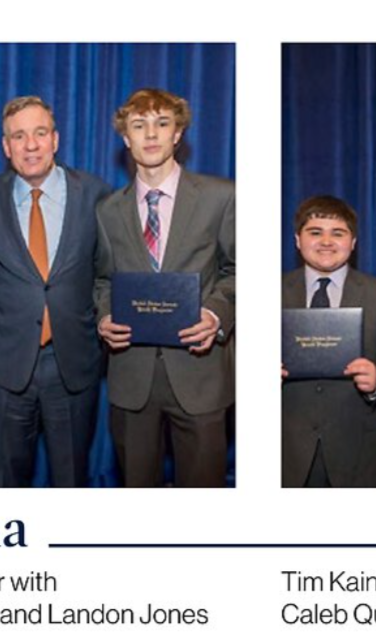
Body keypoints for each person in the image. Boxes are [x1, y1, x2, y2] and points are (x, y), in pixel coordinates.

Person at [96, 88, 235, 488]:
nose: (151, 134)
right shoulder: (107, 210)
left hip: (200, 374)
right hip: (131, 377)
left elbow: (239, 269)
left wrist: (215, 314)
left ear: (179, 134)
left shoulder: (222, 198)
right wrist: (105, 315)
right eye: (139, 126)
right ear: (126, 137)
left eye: (162, 123)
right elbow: (102, 280)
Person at [0, 96, 112, 487]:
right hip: (7, 361)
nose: (30, 145)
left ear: (55, 139)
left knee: (71, 478)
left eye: (39, 133)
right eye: (19, 136)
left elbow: (108, 271)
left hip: (73, 360)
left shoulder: (96, 194)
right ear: (6, 147)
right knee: (8, 479)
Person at [281, 196, 376, 487]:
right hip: (286, 451)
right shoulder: (270, 291)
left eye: (338, 233)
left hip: (361, 453)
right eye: (315, 232)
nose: (326, 241)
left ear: (353, 242)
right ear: (297, 240)